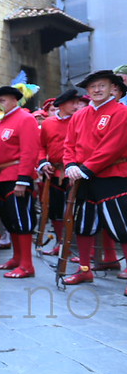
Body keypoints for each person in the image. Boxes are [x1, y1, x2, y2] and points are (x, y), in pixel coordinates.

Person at [62, 70, 127, 291]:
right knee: (83, 226)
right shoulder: (79, 115)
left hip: (112, 176)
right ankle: (84, 271)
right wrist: (70, 164)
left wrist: (86, 168)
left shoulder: (121, 112)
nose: (97, 90)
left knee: (122, 228)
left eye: (102, 85)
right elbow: (69, 144)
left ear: (112, 88)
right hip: (82, 176)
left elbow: (112, 147)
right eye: (92, 87)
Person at [0, 85, 40, 278]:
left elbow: (30, 151)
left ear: (14, 100)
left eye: (3, 100)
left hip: (16, 176)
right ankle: (17, 258)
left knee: (21, 220)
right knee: (10, 221)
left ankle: (27, 264)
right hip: (0, 177)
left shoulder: (25, 119)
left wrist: (23, 180)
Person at [37, 89, 80, 256]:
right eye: (73, 102)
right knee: (54, 210)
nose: (76, 106)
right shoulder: (48, 123)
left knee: (73, 210)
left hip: (74, 173)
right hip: (53, 172)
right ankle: (60, 243)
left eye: (77, 102)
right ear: (62, 105)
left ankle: (72, 246)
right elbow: (41, 146)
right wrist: (43, 162)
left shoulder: (80, 121)